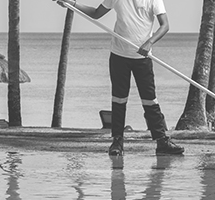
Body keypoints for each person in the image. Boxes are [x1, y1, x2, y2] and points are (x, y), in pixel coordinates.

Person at [54, 0, 184, 156]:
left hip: (142, 58)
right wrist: (72, 4)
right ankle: (117, 142)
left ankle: (162, 142)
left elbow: (165, 25)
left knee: (150, 100)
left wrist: (149, 43)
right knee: (119, 100)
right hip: (119, 56)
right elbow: (96, 14)